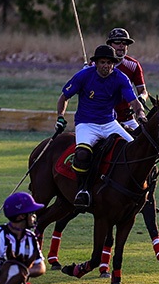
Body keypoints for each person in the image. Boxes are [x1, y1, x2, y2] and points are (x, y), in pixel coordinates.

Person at [105, 27, 159, 272]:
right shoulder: (101, 65)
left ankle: (148, 188)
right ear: (110, 45)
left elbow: (142, 89)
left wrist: (142, 100)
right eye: (116, 43)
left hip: (129, 117)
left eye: (124, 43)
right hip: (106, 120)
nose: (120, 46)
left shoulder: (133, 65)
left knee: (148, 147)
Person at [57, 44, 145, 210]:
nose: (106, 66)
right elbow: (63, 97)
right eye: (103, 62)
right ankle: (82, 190)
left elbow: (134, 102)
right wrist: (60, 117)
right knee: (82, 153)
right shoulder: (84, 76)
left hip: (109, 123)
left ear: (113, 63)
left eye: (109, 63)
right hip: (86, 123)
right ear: (96, 63)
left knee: (135, 149)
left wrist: (140, 114)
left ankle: (141, 192)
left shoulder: (120, 78)